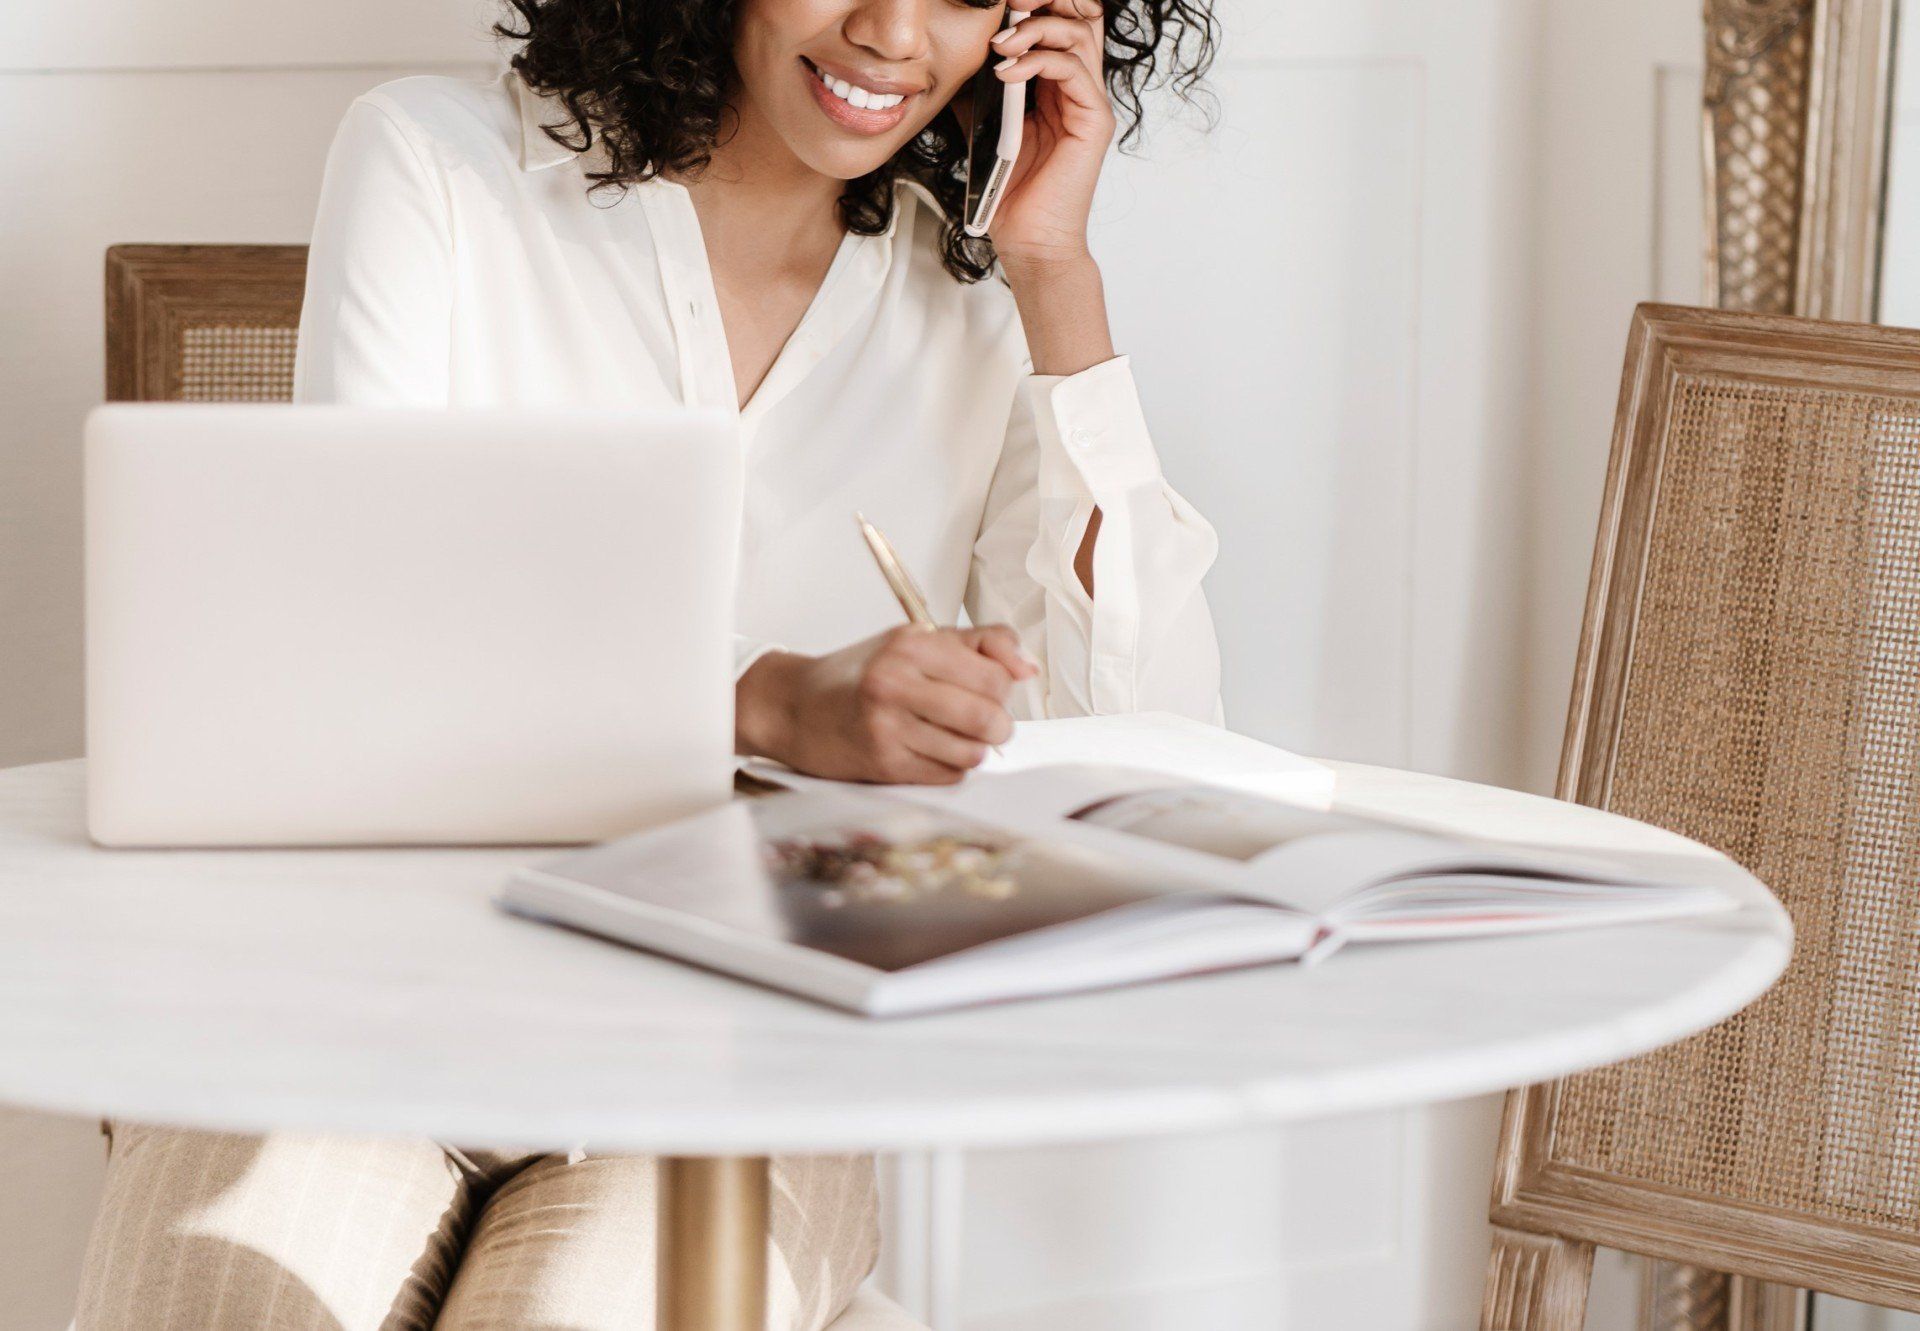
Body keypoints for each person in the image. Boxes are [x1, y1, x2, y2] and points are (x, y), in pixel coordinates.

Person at [73, 0, 1222, 1325]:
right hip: (363, 993)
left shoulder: (973, 302)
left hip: (755, 1040)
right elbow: (370, 650)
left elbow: (1147, 736)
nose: (893, 33)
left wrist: (1055, 274)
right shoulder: (440, 165)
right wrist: (770, 702)